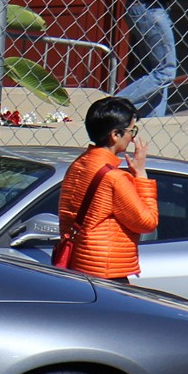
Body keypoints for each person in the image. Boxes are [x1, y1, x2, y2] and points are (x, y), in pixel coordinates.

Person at [56, 96, 159, 283]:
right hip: (107, 271)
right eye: (131, 130)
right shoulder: (114, 178)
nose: (132, 137)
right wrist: (141, 174)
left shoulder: (78, 165)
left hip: (78, 265)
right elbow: (147, 222)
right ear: (115, 135)